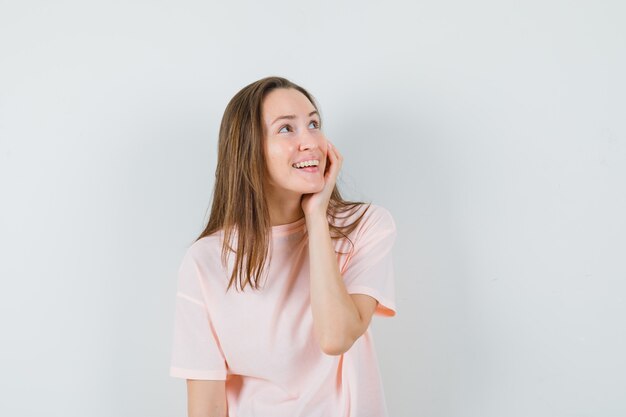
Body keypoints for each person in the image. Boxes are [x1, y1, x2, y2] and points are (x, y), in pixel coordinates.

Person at [169, 76, 398, 417]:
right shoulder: (205, 261)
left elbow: (336, 337)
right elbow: (206, 406)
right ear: (249, 150)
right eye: (286, 129)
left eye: (313, 124)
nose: (310, 142)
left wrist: (317, 216)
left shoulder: (365, 226)